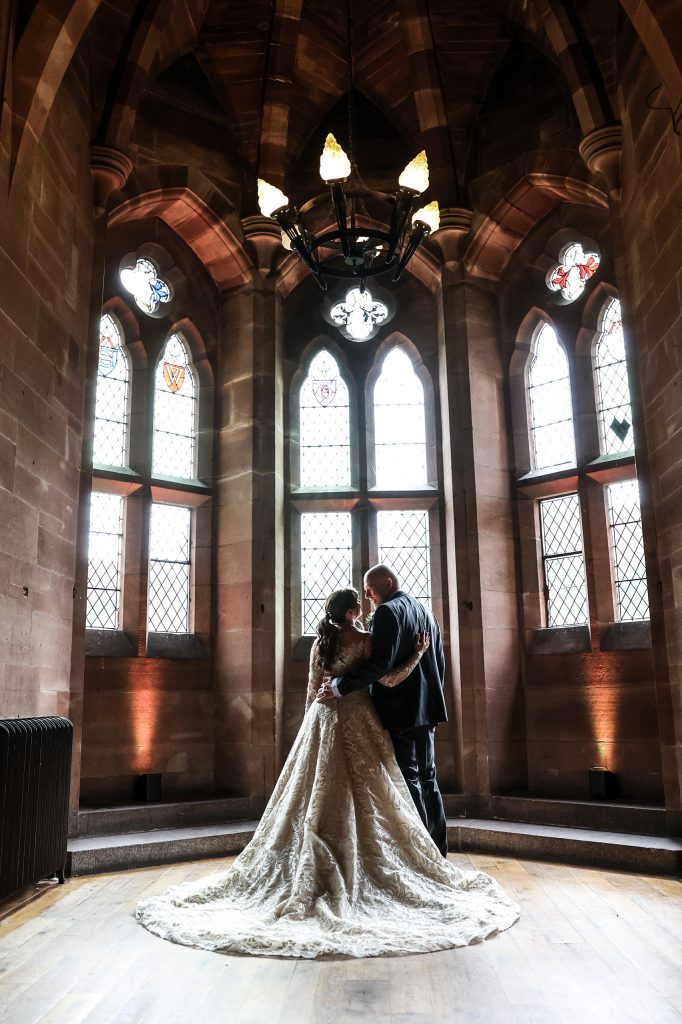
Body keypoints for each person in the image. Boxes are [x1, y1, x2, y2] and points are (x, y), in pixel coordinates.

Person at [134, 587, 518, 958]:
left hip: (323, 718)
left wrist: (309, 725)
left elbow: (312, 688)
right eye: (359, 606)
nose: (365, 610)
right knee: (372, 790)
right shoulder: (365, 639)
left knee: (315, 790)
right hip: (359, 719)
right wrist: (416, 655)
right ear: (352, 612)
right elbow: (386, 678)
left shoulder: (322, 642)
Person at [318, 564, 448, 855]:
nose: (366, 597)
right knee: (429, 778)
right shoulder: (425, 611)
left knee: (409, 779)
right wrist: (433, 703)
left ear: (387, 583)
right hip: (427, 710)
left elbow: (379, 665)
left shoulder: (389, 612)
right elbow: (439, 664)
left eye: (369, 589)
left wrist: (340, 686)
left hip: (401, 710)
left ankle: (421, 854)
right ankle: (438, 851)